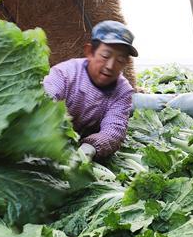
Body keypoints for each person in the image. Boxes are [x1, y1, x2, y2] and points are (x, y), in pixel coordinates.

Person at [43, 20, 136, 160]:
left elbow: (114, 128)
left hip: (84, 141)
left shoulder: (123, 91)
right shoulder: (64, 73)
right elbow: (46, 99)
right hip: (52, 138)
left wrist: (91, 147)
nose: (110, 66)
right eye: (105, 56)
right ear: (89, 52)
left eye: (120, 60)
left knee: (134, 105)